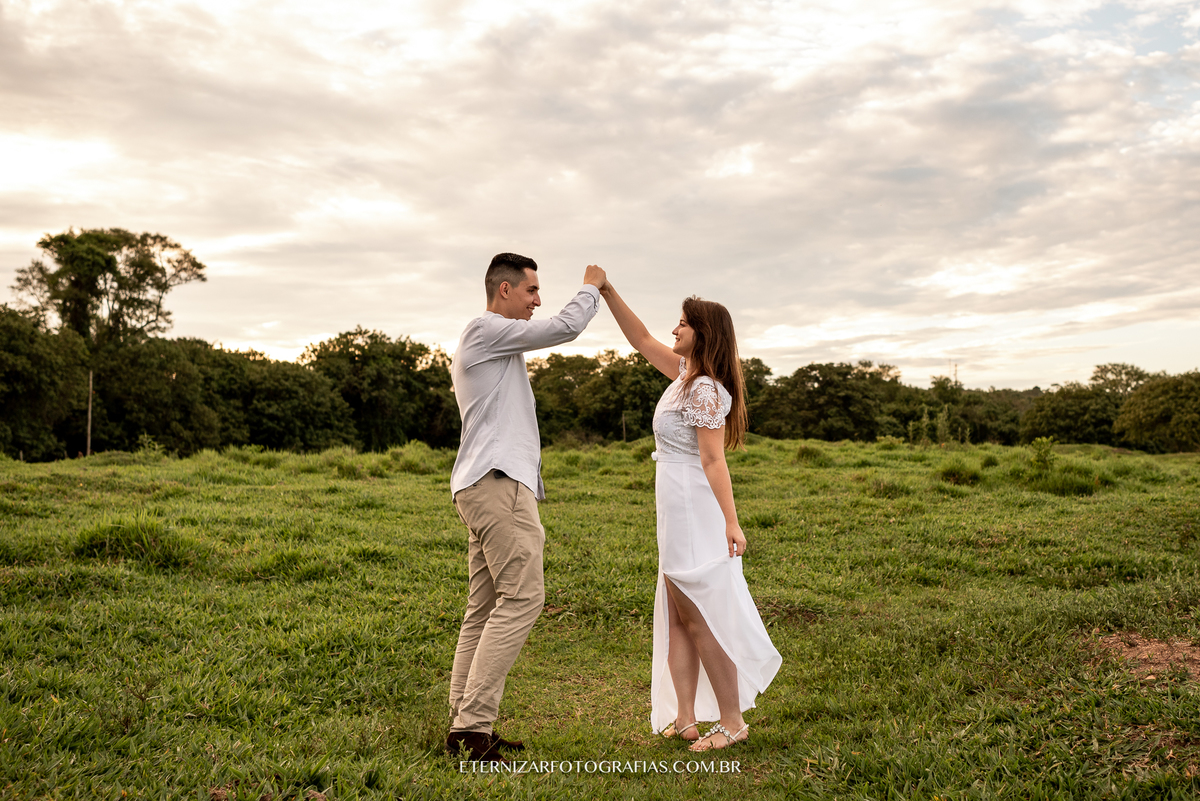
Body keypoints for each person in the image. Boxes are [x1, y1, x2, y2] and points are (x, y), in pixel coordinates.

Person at [599, 282, 781, 752]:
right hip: (673, 501)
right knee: (678, 613)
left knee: (698, 613)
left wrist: (732, 522)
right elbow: (639, 339)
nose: (674, 328)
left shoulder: (704, 389)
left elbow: (713, 460)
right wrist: (606, 289)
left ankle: (733, 721)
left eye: (682, 322)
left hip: (691, 503)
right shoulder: (684, 375)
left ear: (702, 333)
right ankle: (684, 715)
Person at [446, 253, 607, 762]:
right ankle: (473, 726)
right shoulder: (486, 328)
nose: (539, 300)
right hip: (497, 486)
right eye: (533, 290)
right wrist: (593, 287)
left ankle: (463, 725)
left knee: (486, 608)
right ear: (505, 291)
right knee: (523, 599)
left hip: (484, 484)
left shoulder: (497, 343)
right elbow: (565, 328)